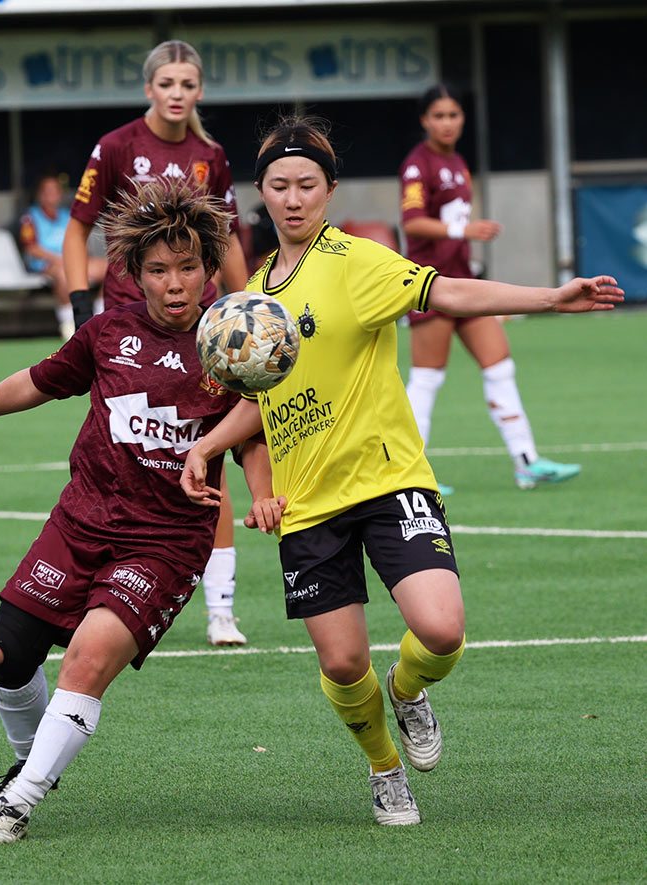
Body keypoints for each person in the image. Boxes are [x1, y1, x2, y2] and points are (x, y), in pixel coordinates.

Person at [179, 116, 623, 827]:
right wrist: (207, 447)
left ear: (329, 190)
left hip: (389, 479)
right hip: (311, 503)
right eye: (280, 186)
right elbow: (263, 402)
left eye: (308, 185)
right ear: (259, 193)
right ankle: (386, 770)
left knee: (442, 629)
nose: (294, 199)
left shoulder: (359, 260)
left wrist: (548, 298)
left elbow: (446, 293)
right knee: (343, 662)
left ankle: (410, 687)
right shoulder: (255, 297)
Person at [0, 180, 278, 846]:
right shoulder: (108, 331)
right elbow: (38, 379)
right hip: (81, 521)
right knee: (4, 655)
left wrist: (262, 492)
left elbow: (251, 429)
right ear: (133, 275)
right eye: (158, 270)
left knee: (85, 656)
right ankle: (32, 760)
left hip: (163, 543)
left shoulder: (228, 339)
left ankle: (17, 801)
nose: (174, 283)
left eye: (188, 267)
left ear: (209, 269)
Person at [63, 39, 250, 646]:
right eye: (166, 83)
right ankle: (99, 584)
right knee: (126, 461)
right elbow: (78, 231)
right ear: (149, 89)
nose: (177, 94)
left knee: (206, 458)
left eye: (188, 85)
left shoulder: (211, 155)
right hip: (127, 327)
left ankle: (220, 607)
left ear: (199, 91)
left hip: (199, 328)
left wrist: (248, 309)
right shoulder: (117, 147)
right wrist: (79, 309)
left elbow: (229, 238)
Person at [401, 84, 582, 492]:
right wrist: (462, 229)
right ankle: (409, 475)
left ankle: (527, 461)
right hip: (431, 286)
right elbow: (412, 221)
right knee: (427, 380)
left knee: (500, 365)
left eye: (454, 115)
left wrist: (463, 238)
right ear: (424, 120)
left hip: (465, 283)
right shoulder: (418, 164)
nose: (447, 123)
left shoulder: (459, 162)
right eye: (439, 115)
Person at [19, 174, 107, 340]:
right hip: (47, 264)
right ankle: (68, 324)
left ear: (60, 194)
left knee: (109, 269)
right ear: (40, 195)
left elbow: (81, 241)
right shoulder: (30, 217)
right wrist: (61, 259)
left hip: (73, 260)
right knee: (63, 273)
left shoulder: (69, 216)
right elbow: (32, 248)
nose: (51, 196)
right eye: (47, 192)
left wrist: (78, 258)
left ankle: (99, 317)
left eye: (54, 192)